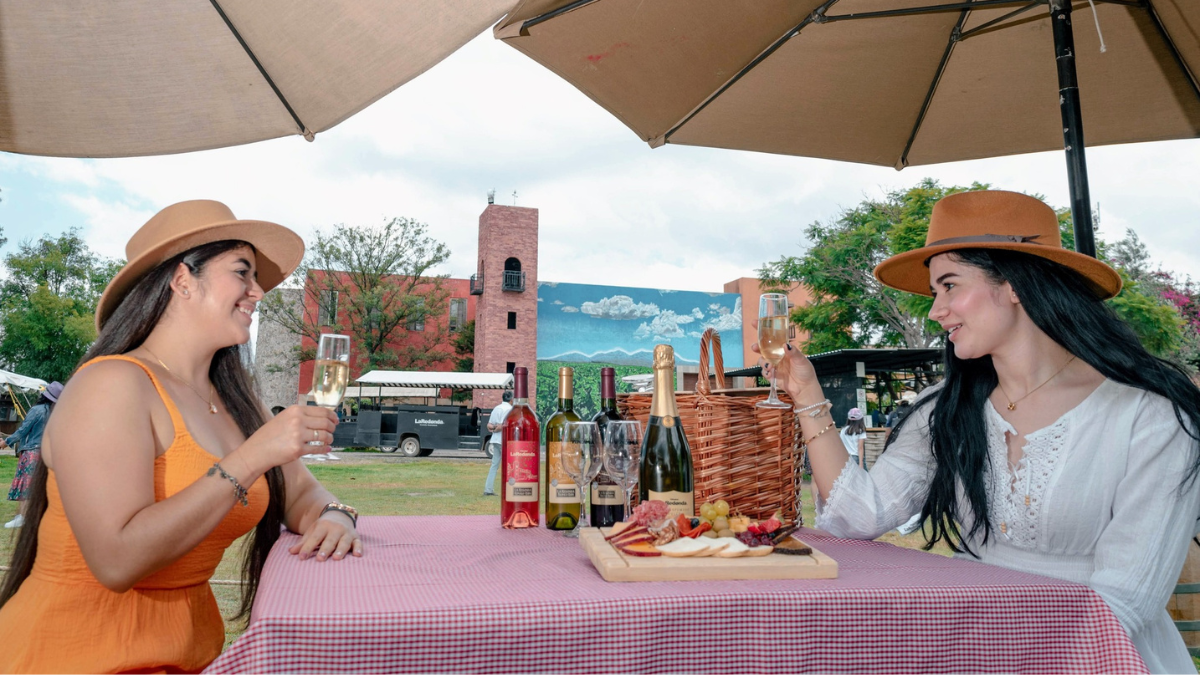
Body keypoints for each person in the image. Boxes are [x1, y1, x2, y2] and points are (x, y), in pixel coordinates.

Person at [759, 191, 1200, 673]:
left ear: (1014, 284)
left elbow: (1124, 601)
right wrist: (806, 395)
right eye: (934, 293)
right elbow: (857, 517)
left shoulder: (1151, 417)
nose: (935, 311)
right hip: (970, 646)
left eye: (949, 285)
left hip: (1097, 657)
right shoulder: (946, 410)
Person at [0, 200, 364, 673]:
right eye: (243, 272)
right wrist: (251, 456)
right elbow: (117, 561)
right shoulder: (111, 384)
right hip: (72, 653)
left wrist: (337, 517)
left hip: (189, 655)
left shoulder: (236, 399)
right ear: (182, 280)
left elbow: (301, 491)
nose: (257, 292)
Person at [3, 382, 63, 529]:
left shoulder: (37, 410)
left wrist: (6, 442)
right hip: (46, 453)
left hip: (32, 452)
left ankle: (23, 517)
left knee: (26, 486)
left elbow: (23, 430)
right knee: (38, 486)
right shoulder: (56, 413)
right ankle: (34, 515)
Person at [483, 391, 513, 496]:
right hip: (505, 441)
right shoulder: (509, 409)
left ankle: (488, 489)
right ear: (511, 399)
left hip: (495, 440)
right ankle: (508, 489)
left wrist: (494, 429)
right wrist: (497, 429)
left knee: (494, 465)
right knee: (510, 466)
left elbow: (489, 425)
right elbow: (502, 426)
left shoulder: (496, 408)